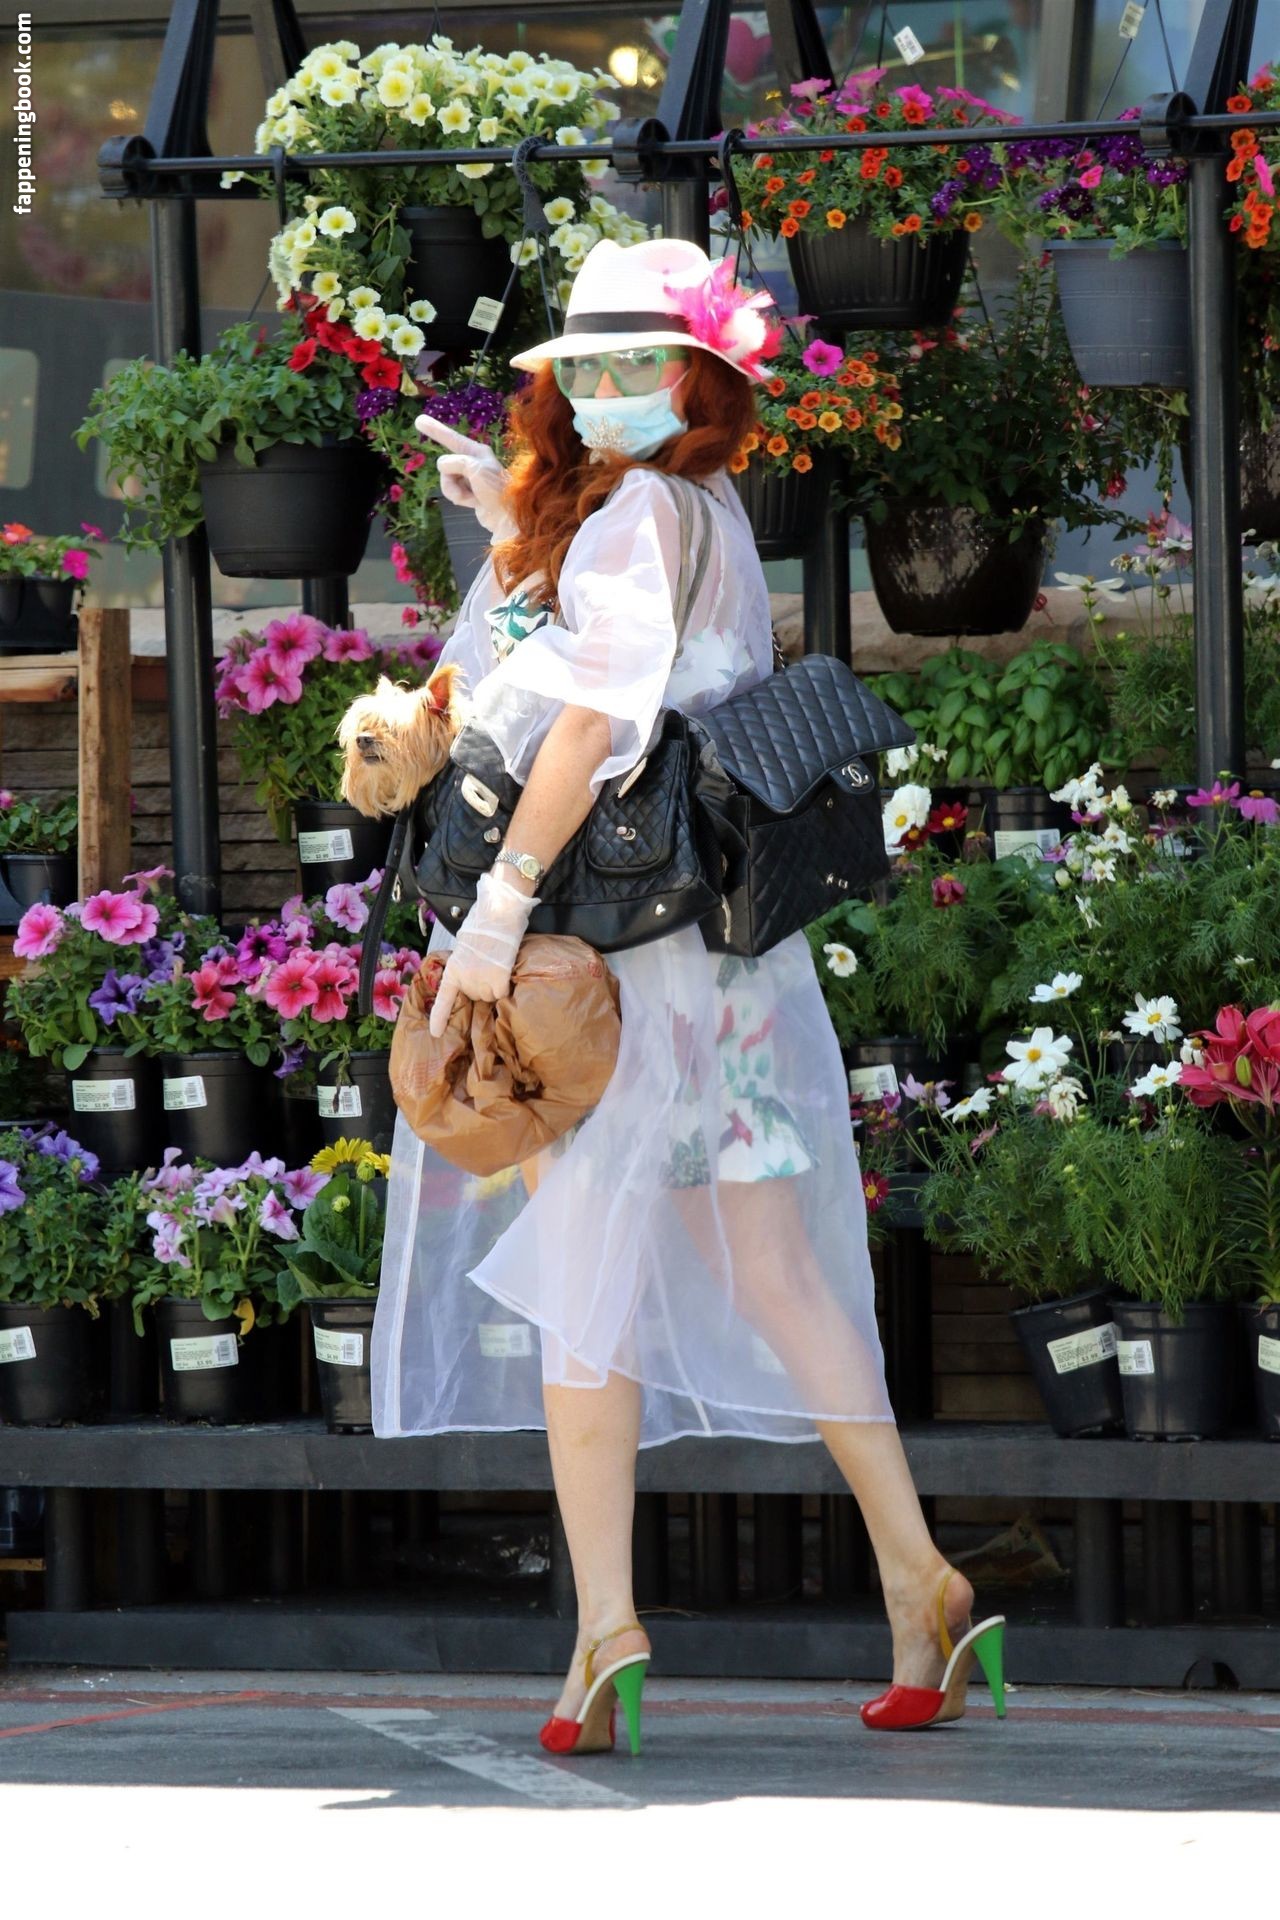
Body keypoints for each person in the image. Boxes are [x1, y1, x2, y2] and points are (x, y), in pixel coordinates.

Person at [374, 237, 1007, 1749]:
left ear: (697, 375)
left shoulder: (632, 515)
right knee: (781, 1272)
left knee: (582, 1283)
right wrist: (511, 520)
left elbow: (585, 724)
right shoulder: (702, 507)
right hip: (726, 963)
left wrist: (499, 906)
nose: (602, 390)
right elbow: (620, 661)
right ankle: (918, 1576)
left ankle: (605, 1629)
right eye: (583, 368)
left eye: (632, 364)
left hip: (606, 967)